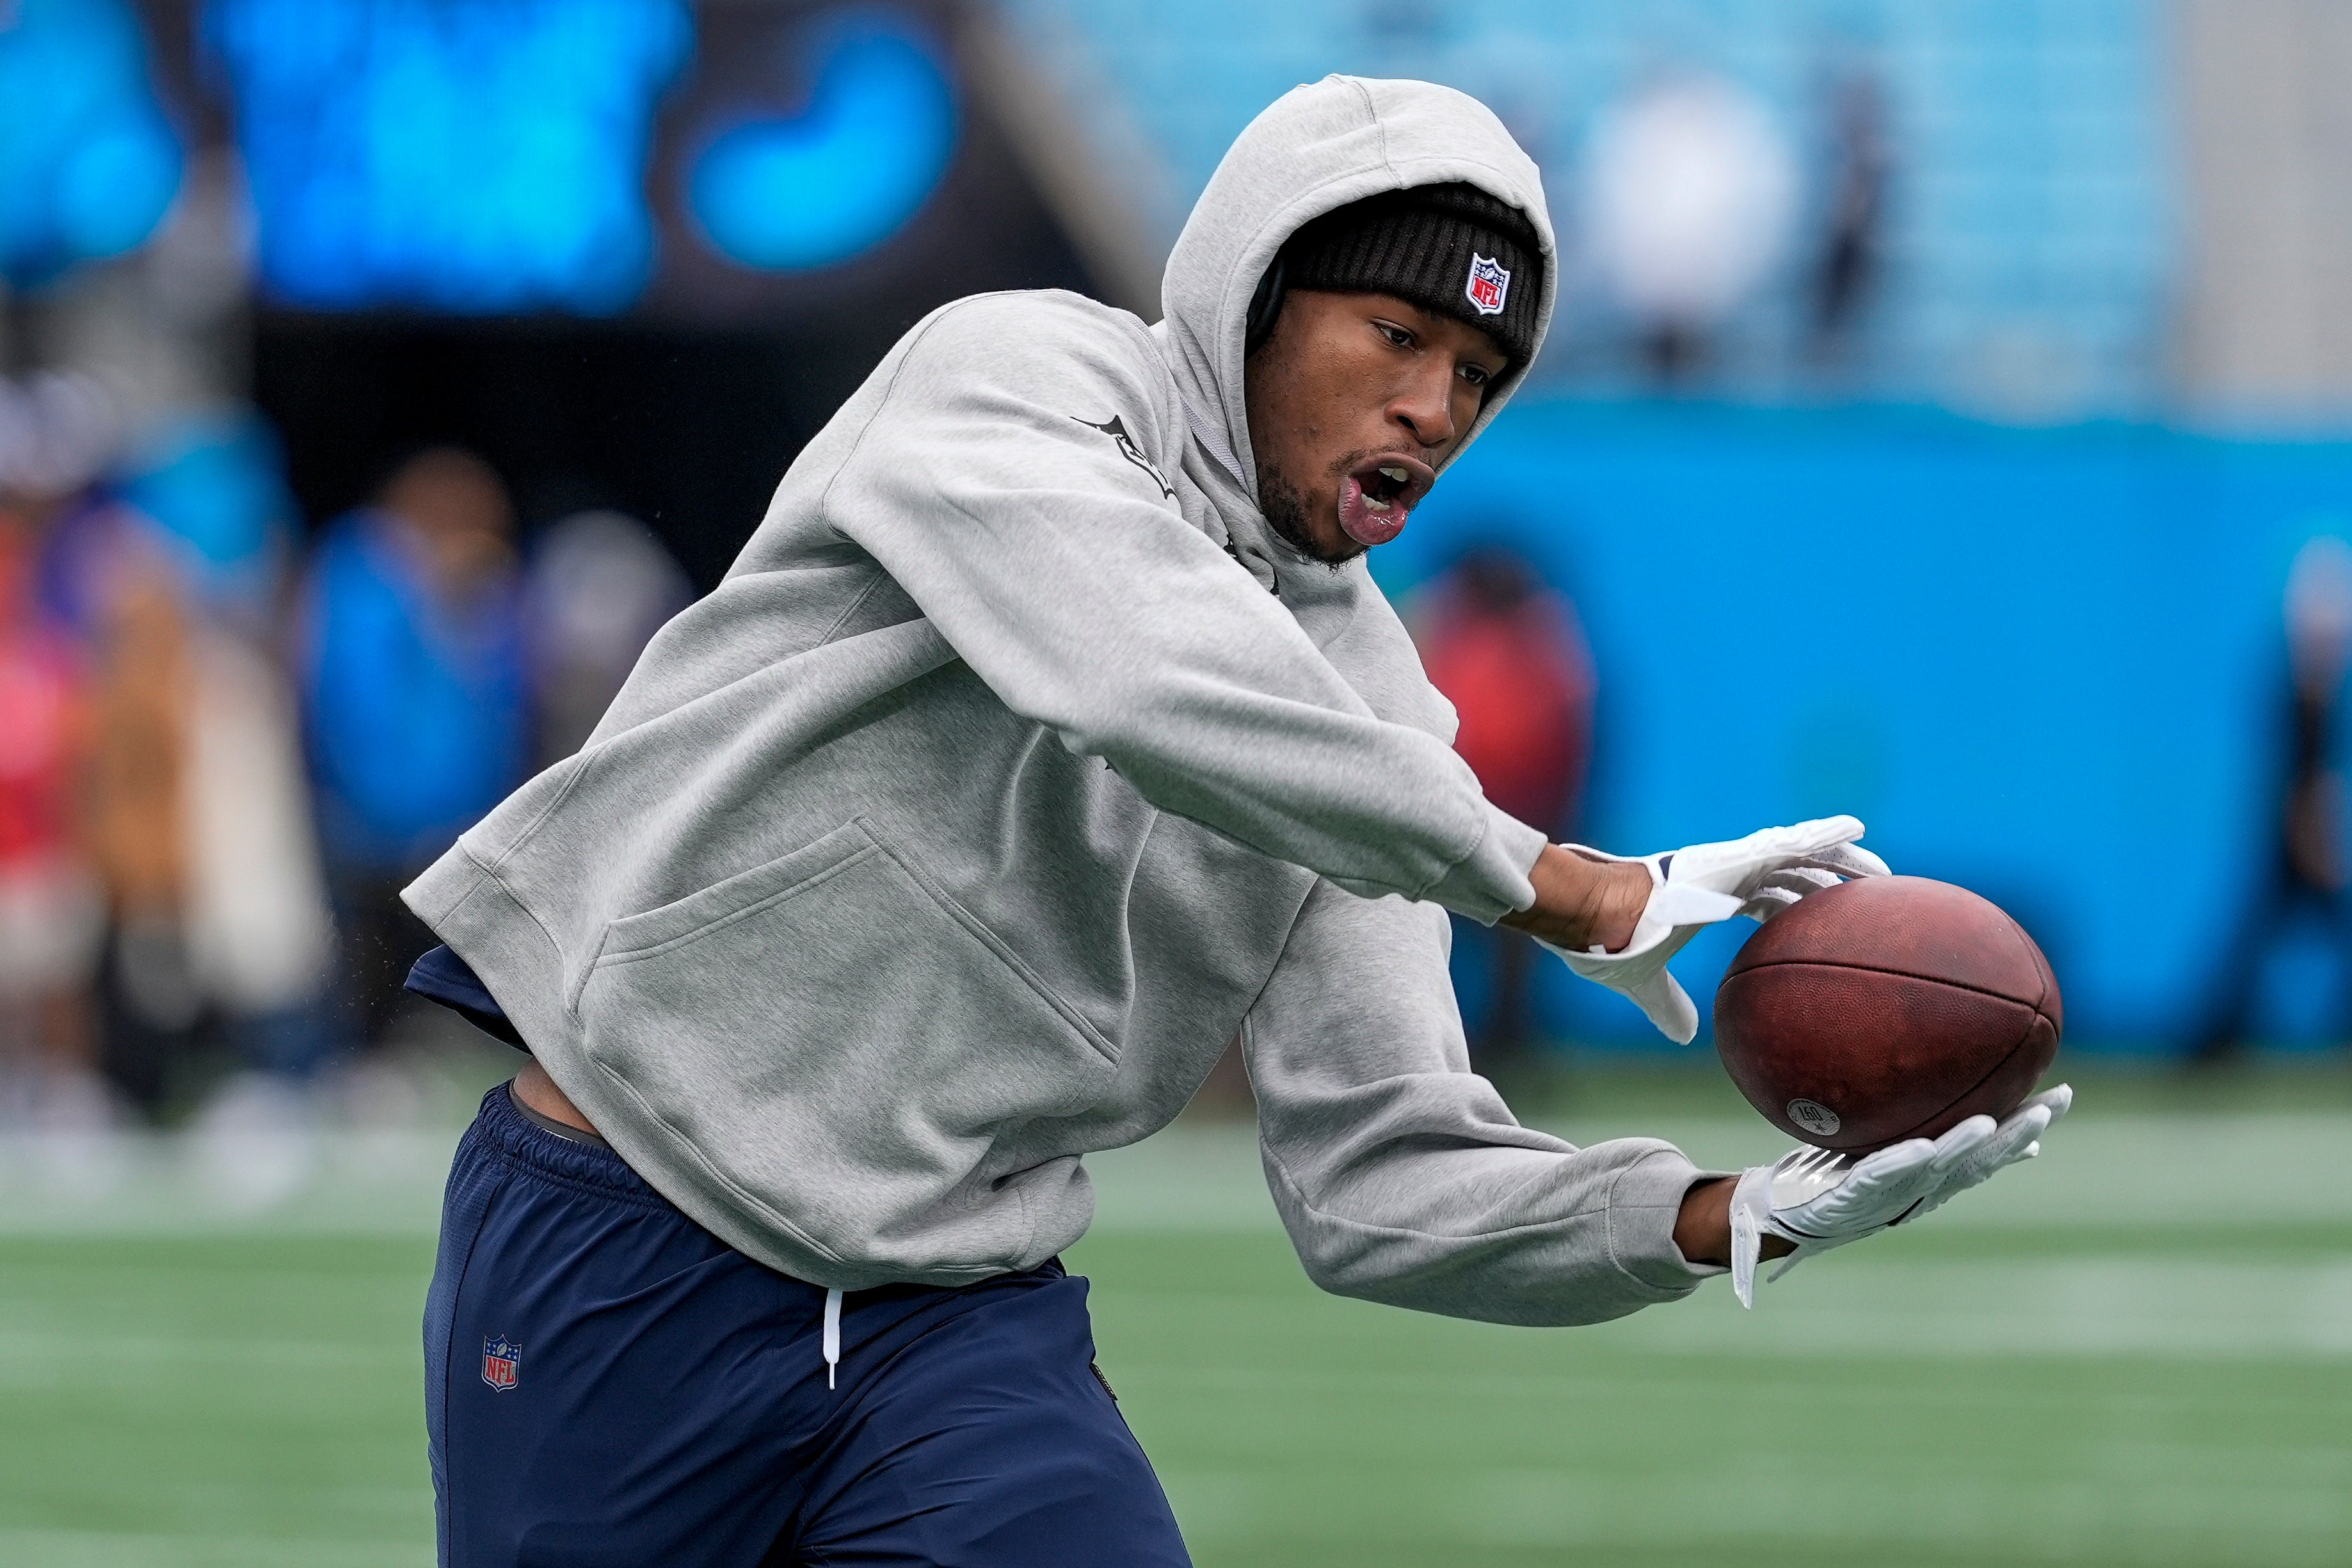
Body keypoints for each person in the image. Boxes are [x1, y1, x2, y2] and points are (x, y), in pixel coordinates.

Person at [403, 78, 2070, 1567]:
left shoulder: (1373, 732)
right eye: (1394, 338)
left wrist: (1721, 1216)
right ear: (1253, 300)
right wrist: (1557, 883)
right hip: (627, 1233)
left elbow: (1383, 1174)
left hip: (955, 1321)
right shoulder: (1012, 374)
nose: (1436, 403)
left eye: (1479, 370)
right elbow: (1140, 669)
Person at [300, 448, 526, 1057]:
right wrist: (400, 814)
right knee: (364, 954)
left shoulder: (474, 588)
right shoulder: (365, 581)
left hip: (450, 820)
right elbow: (354, 706)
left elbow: (498, 704)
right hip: (380, 821)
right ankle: (355, 1062)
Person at [1415, 547, 1595, 1063]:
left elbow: (1563, 740)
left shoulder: (1536, 640)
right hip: (1449, 815)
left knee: (1512, 952)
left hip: (1513, 821)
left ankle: (1507, 1050)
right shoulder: (1449, 634)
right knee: (1443, 943)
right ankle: (1451, 1050)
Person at [2195, 534, 2352, 1060]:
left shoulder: (2311, 689)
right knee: (2254, 940)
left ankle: (2215, 1039)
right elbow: (2306, 782)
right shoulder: (2304, 694)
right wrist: (2317, 845)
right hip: (2292, 840)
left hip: (2289, 837)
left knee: (2255, 940)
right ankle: (2213, 1039)